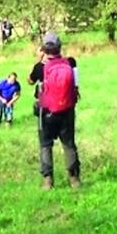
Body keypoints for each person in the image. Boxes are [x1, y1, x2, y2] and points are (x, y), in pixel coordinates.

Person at [33, 31, 80, 189]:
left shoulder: (41, 67)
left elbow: (29, 80)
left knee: (45, 145)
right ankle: (74, 179)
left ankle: (48, 181)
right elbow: (76, 84)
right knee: (69, 144)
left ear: (44, 49)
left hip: (47, 111)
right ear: (60, 47)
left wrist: (38, 60)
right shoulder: (71, 63)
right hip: (67, 109)